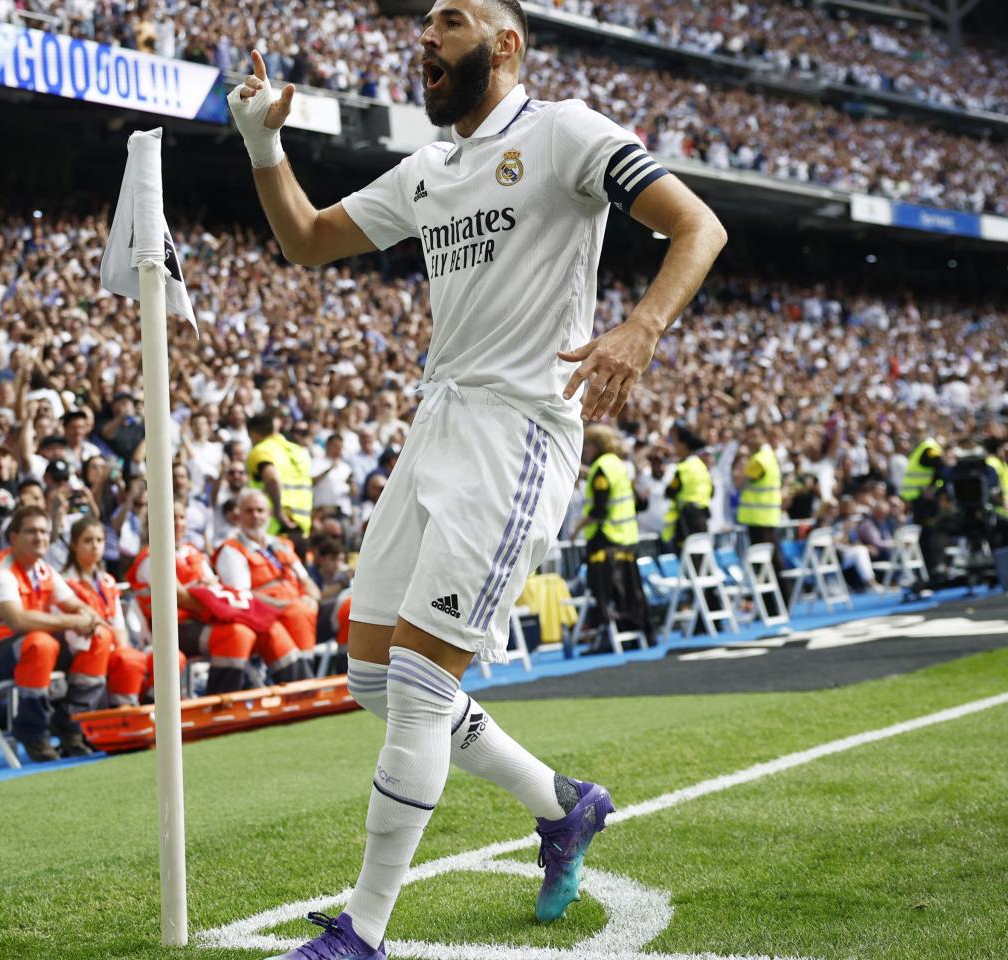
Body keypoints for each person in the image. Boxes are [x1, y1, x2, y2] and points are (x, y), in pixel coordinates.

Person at [229, 0, 727, 951]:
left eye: (448, 22)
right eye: (422, 24)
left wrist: (641, 327)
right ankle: (561, 803)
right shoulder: (429, 171)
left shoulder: (564, 132)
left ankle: (361, 932)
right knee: (372, 679)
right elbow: (304, 240)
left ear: (503, 45)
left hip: (520, 432)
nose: (426, 36)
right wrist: (262, 145)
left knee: (417, 682)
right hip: (438, 423)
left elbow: (697, 226)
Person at [0, 506, 107, 761]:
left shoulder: (43, 569)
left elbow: (73, 603)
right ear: (13, 537)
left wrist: (88, 617)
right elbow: (18, 620)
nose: (40, 537)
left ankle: (71, 723)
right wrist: (74, 620)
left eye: (44, 532)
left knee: (99, 638)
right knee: (40, 643)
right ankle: (33, 733)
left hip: (28, 647)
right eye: (31, 532)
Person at [129, 501, 305, 694]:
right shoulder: (151, 558)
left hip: (205, 618)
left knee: (267, 626)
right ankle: (222, 699)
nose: (178, 523)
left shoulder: (192, 551)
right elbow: (179, 596)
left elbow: (213, 585)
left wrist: (214, 601)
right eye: (172, 518)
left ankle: (300, 687)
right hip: (173, 629)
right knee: (237, 634)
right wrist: (213, 605)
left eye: (181, 517)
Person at [214, 489, 320, 681]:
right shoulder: (232, 550)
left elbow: (306, 580)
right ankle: (306, 684)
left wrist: (312, 597)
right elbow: (243, 598)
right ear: (238, 515)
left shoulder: (281, 544)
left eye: (260, 511)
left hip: (303, 610)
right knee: (298, 612)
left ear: (269, 515)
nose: (255, 516)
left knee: (348, 606)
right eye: (249, 511)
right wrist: (288, 604)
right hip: (265, 617)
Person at [59, 516, 153, 712]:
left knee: (147, 657)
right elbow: (71, 636)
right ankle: (119, 714)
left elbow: (118, 625)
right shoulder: (63, 581)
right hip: (83, 651)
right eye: (88, 540)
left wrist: (121, 650)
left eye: (100, 540)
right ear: (74, 545)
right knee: (125, 656)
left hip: (108, 647)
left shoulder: (108, 581)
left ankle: (145, 709)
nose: (95, 546)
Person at [571, 424, 646, 646]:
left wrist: (577, 529)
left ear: (597, 445)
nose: (585, 449)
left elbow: (599, 510)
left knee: (604, 593)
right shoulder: (619, 465)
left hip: (606, 540)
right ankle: (631, 634)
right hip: (627, 538)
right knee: (628, 591)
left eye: (588, 444)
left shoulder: (602, 468)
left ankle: (607, 638)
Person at [736, 422, 788, 603]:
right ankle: (779, 602)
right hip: (766, 518)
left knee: (766, 565)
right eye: (749, 435)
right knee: (773, 563)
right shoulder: (768, 455)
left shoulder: (759, 460)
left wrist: (739, 468)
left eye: (755, 435)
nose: (751, 440)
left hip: (759, 520)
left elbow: (739, 482)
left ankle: (774, 603)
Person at [247, 412, 312, 542]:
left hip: (275, 527)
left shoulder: (261, 450)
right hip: (302, 528)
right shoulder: (300, 451)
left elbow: (272, 478)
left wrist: (278, 511)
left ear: (253, 433)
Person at [900, 432, 948, 577]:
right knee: (927, 535)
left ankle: (933, 568)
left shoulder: (927, 448)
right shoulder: (925, 448)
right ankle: (930, 569)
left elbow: (941, 469)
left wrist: (934, 488)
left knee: (930, 534)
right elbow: (940, 469)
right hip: (920, 501)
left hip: (924, 501)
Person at [663, 426, 713, 549]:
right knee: (700, 554)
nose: (674, 447)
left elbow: (671, 491)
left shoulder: (684, 467)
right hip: (703, 516)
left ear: (683, 445)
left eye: (676, 443)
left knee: (687, 556)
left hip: (688, 518)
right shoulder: (700, 465)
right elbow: (712, 491)